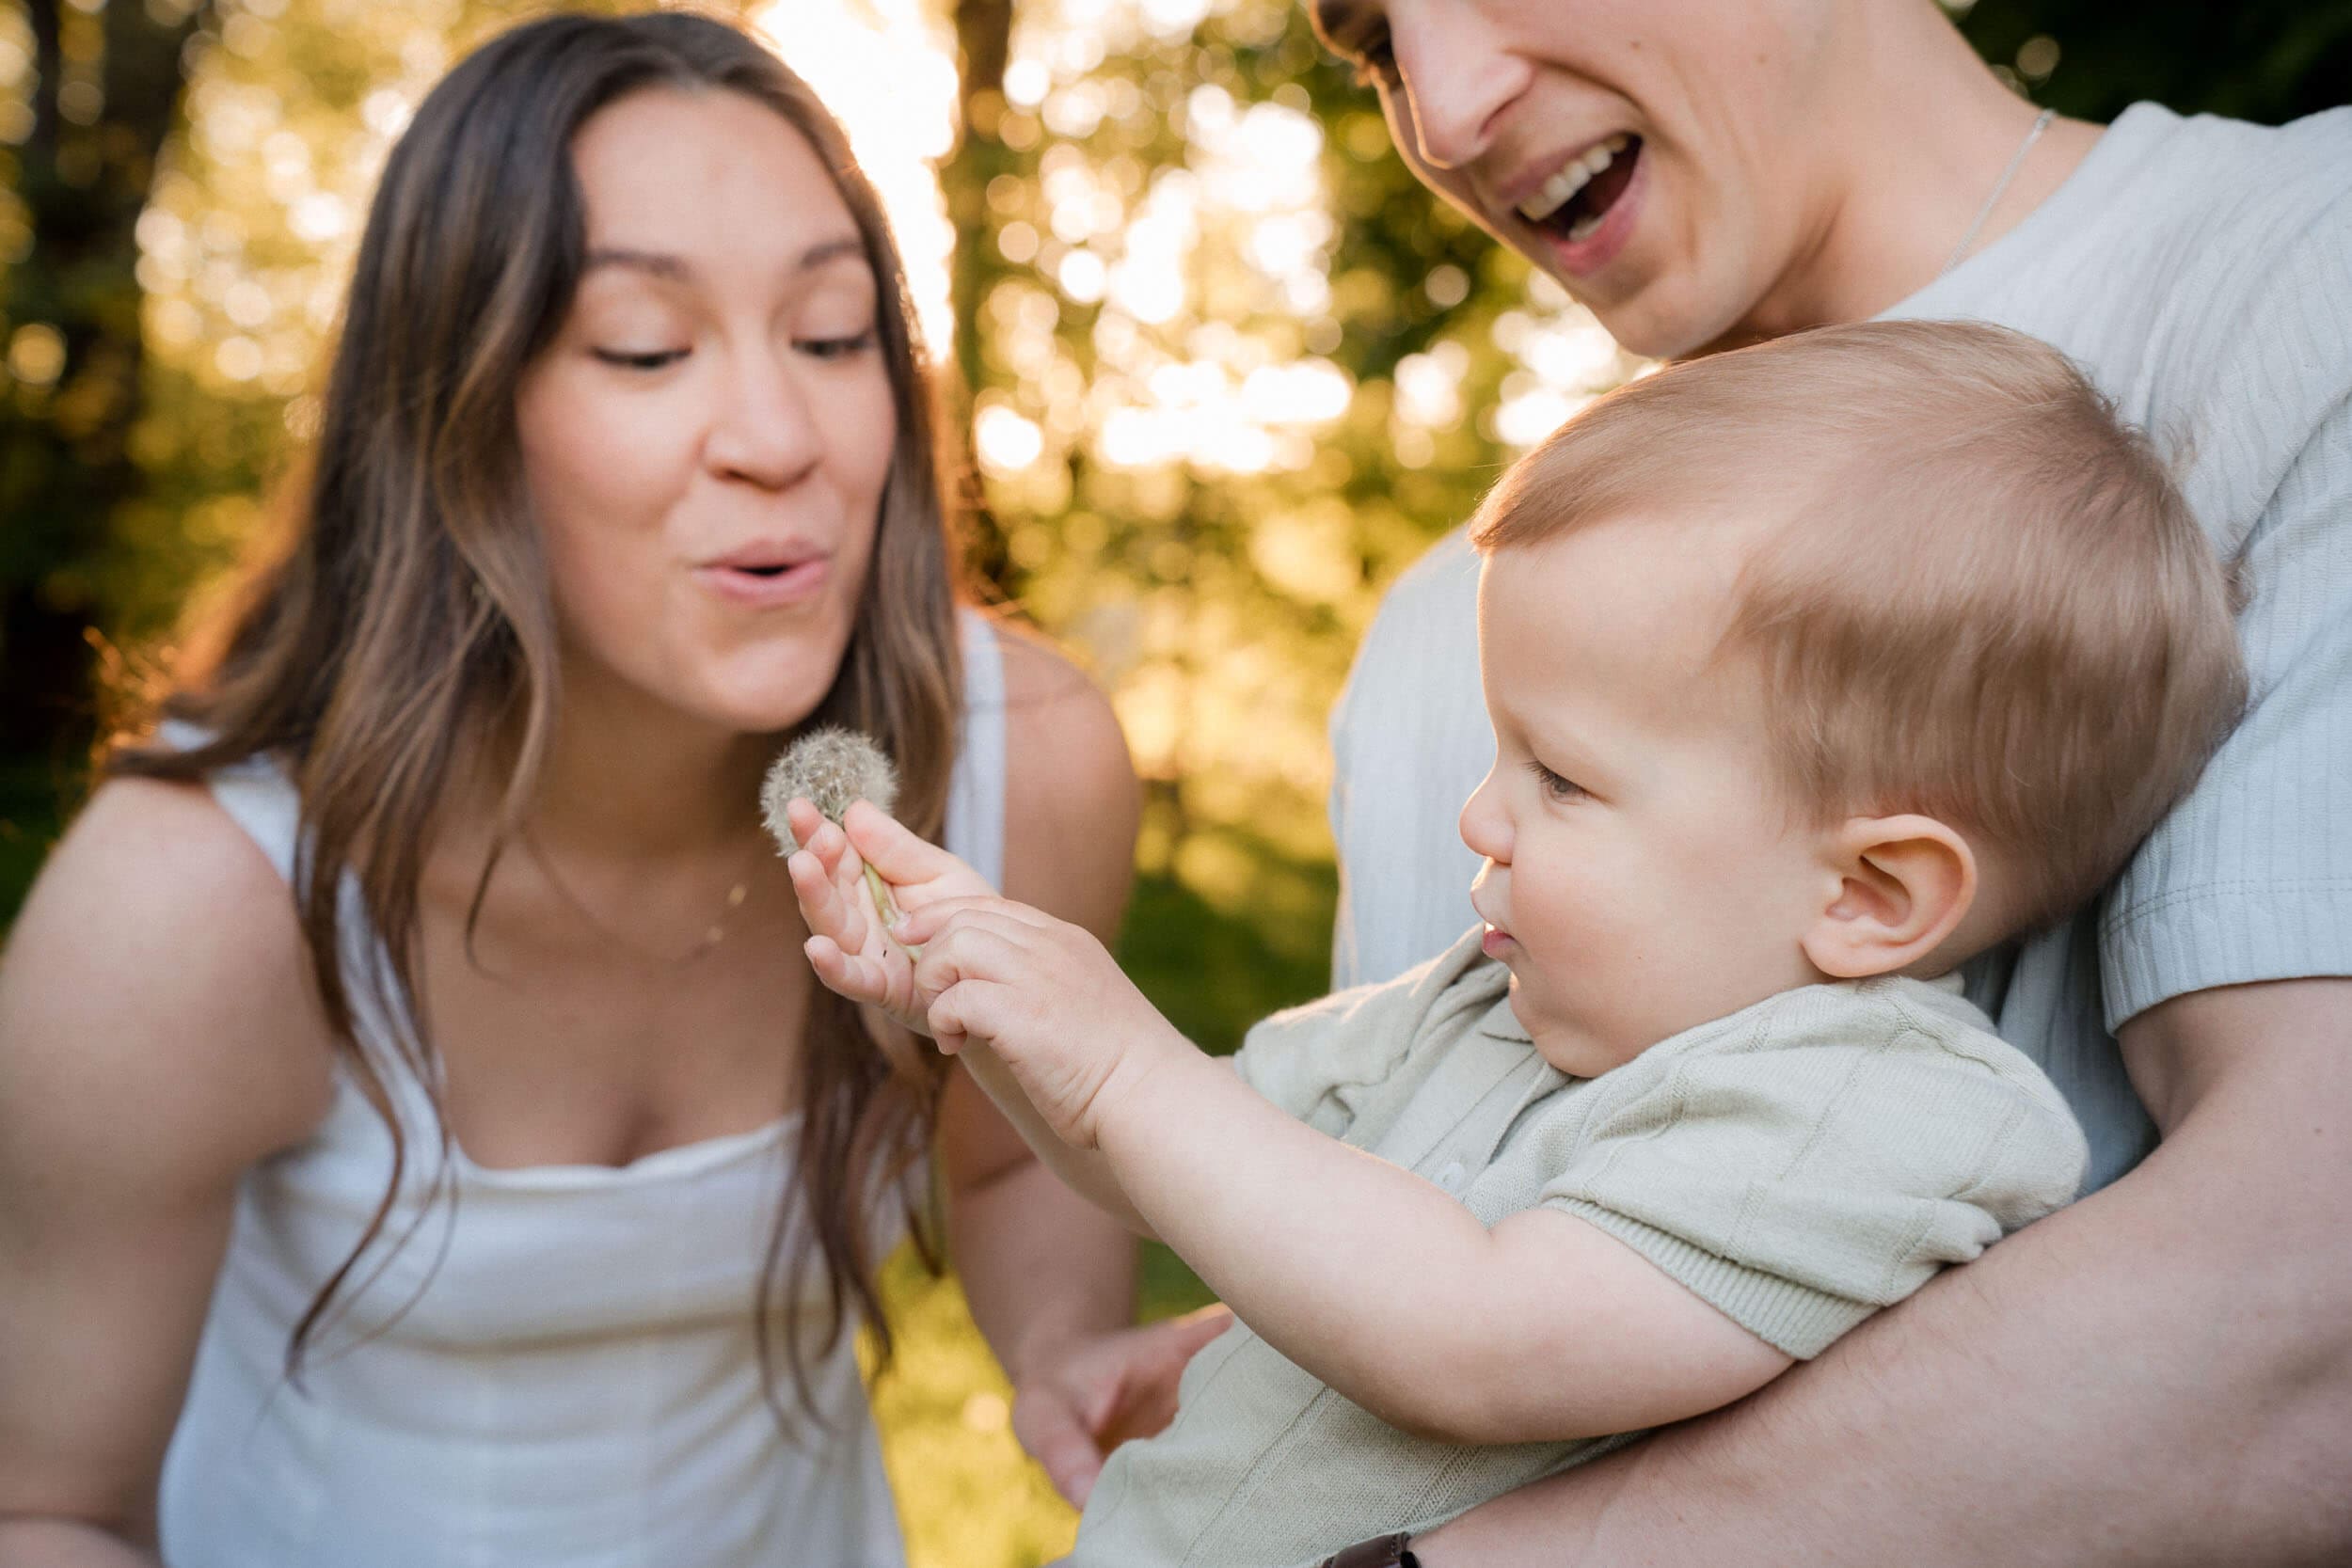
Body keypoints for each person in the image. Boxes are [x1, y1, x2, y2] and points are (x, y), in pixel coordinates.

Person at [0, 13, 1221, 1567]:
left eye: (835, 335)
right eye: (646, 348)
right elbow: (43, 1505)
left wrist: (1058, 1349)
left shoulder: (1021, 764)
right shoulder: (188, 905)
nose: (781, 440)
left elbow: (1001, 1152)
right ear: (455, 416)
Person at [785, 320, 2246, 1567]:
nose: (1483, 816)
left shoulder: (1872, 1107)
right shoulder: (1489, 1006)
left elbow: (1474, 1337)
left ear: (1870, 893)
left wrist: (1115, 1062)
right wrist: (981, 1000)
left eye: (1563, 778)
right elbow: (1171, 1167)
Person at [1304, 1, 2352, 1562]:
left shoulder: (2304, 272)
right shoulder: (1422, 648)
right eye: (1373, 39)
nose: (1443, 115)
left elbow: (2307, 1312)